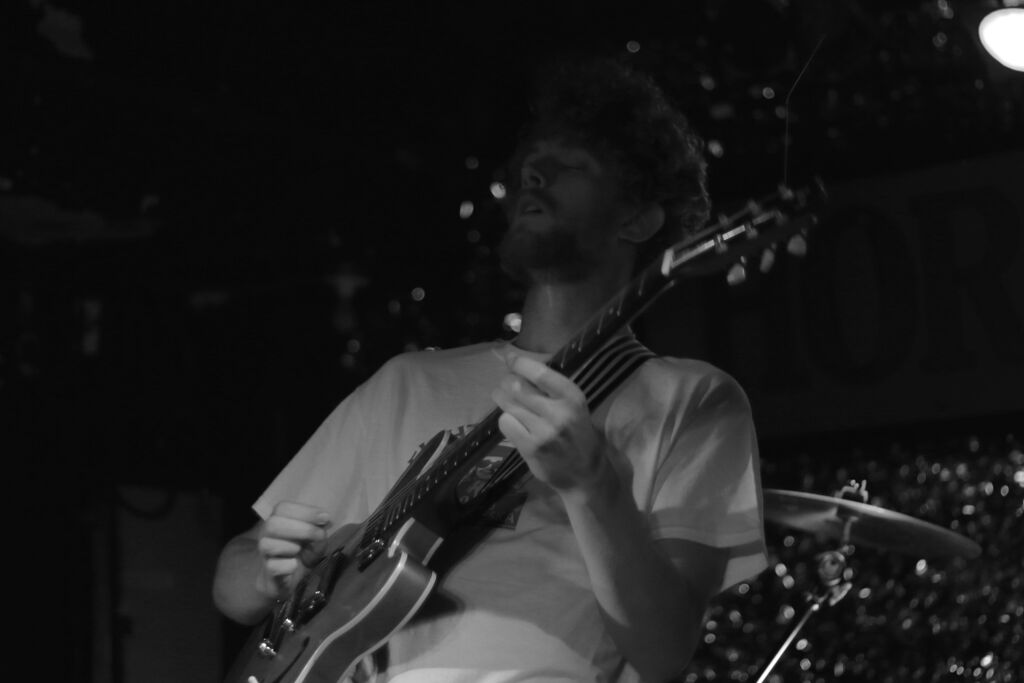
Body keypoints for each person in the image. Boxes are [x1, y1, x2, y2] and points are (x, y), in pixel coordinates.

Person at [212, 55, 768, 683]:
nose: (534, 174)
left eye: (571, 165)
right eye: (532, 163)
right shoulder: (408, 382)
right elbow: (231, 584)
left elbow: (665, 651)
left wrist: (593, 485)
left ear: (638, 218)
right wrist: (267, 572)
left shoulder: (695, 399)